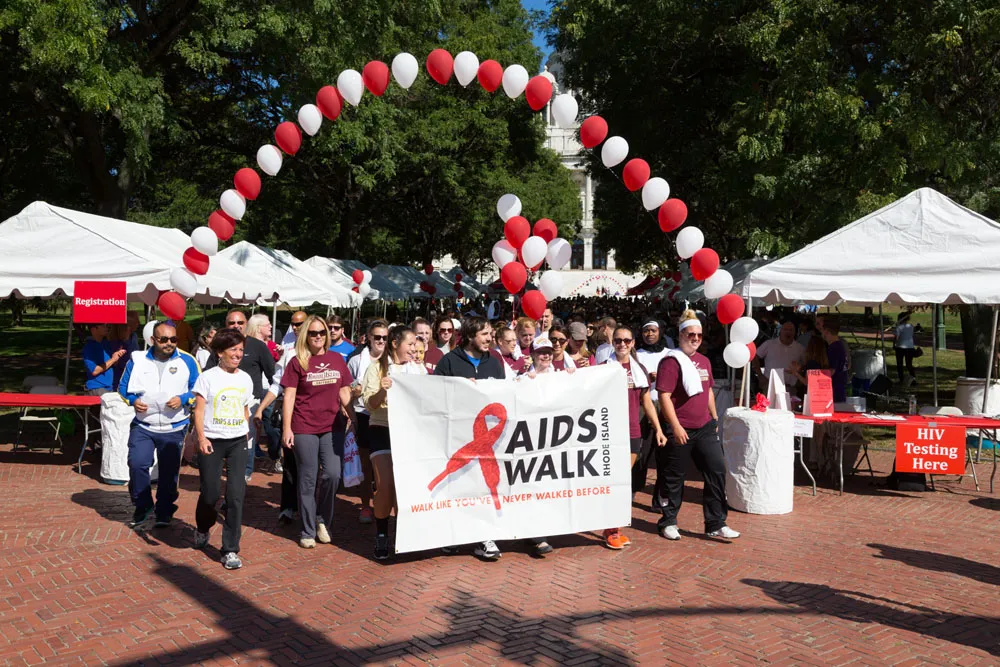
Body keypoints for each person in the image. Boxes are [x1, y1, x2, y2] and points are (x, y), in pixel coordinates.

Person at [655, 310, 739, 542]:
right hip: (680, 428)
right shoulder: (671, 362)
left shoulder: (704, 361)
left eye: (699, 335)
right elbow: (664, 396)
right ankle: (668, 521)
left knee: (716, 471)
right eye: (690, 334)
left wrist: (714, 418)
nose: (695, 339)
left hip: (704, 427)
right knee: (674, 477)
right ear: (681, 335)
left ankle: (716, 523)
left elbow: (708, 390)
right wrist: (675, 426)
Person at [434, 316, 507, 560]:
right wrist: (460, 388)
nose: (489, 338)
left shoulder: (494, 362)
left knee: (484, 484)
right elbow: (434, 395)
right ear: (468, 336)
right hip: (457, 436)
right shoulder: (449, 362)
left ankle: (484, 536)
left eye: (490, 333)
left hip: (487, 440)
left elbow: (505, 395)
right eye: (484, 334)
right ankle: (454, 534)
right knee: (458, 485)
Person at [281, 316, 354, 549]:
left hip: (332, 426)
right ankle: (307, 530)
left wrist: (353, 417)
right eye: (313, 333)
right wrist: (287, 428)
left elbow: (344, 391)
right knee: (308, 478)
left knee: (333, 474)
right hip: (304, 426)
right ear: (306, 336)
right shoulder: (297, 362)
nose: (318, 336)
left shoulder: (336, 359)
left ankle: (322, 519)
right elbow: (289, 396)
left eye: (322, 332)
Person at [118, 321, 200, 529]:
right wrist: (132, 400)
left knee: (168, 472)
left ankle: (164, 510)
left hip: (174, 426)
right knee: (137, 463)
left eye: (173, 339)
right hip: (144, 425)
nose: (169, 343)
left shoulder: (188, 361)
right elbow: (123, 388)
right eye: (164, 339)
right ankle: (142, 504)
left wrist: (183, 399)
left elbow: (198, 390)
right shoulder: (137, 360)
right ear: (153, 340)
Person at [192, 328, 255, 570]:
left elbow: (245, 408)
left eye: (241, 350)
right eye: (233, 350)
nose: (238, 354)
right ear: (220, 352)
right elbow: (199, 411)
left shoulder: (245, 378)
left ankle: (230, 549)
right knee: (210, 494)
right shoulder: (207, 377)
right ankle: (202, 527)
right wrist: (201, 437)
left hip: (238, 441)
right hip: (212, 440)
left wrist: (246, 433)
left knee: (236, 495)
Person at [361, 325, 426, 559]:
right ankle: (381, 534)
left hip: (409, 432)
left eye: (415, 344)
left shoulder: (418, 370)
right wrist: (383, 390)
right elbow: (369, 404)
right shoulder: (377, 367)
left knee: (406, 486)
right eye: (410, 344)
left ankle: (403, 533)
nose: (414, 348)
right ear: (396, 344)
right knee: (386, 483)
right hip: (382, 428)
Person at [602, 326, 666, 549]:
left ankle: (613, 528)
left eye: (626, 340)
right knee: (614, 482)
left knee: (622, 481)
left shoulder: (639, 369)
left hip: (632, 432)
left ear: (633, 343)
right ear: (613, 343)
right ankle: (611, 529)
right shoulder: (603, 368)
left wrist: (658, 428)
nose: (622, 344)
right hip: (608, 432)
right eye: (618, 340)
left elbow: (646, 402)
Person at [206, 309, 275, 483]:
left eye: (240, 322)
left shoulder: (258, 346)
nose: (236, 326)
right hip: (222, 401)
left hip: (250, 401)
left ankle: (244, 473)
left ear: (246, 324)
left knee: (246, 438)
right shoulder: (219, 346)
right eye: (231, 323)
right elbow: (208, 372)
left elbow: (272, 375)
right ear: (226, 324)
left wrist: (269, 402)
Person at [253, 311, 308, 519]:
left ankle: (310, 508)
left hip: (316, 417)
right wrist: (261, 408)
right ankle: (288, 507)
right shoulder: (289, 353)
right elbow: (277, 385)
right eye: (293, 324)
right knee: (290, 462)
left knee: (312, 466)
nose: (296, 328)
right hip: (292, 414)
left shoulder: (324, 353)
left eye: (300, 324)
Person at [347, 320, 389, 524]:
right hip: (363, 414)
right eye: (377, 337)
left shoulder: (393, 361)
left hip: (386, 417)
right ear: (369, 338)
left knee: (384, 467)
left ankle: (384, 503)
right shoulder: (356, 360)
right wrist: (354, 398)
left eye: (385, 337)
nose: (381, 341)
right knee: (366, 465)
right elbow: (346, 389)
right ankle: (366, 505)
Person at [634, 319, 672, 507]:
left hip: (665, 406)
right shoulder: (637, 354)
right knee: (642, 453)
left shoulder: (669, 354)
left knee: (664, 455)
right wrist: (647, 378)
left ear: (660, 332)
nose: (649, 334)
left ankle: (660, 498)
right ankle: (633, 490)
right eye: (646, 331)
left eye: (653, 330)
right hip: (644, 406)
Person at [753, 321, 806, 392]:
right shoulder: (769, 344)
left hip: (791, 387)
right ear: (780, 331)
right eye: (785, 329)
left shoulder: (800, 348)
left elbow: (805, 365)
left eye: (791, 330)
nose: (788, 332)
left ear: (794, 333)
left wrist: (800, 373)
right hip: (770, 386)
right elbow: (754, 356)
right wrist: (760, 375)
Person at [82, 323, 126, 396]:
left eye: (107, 325)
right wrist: (113, 359)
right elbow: (94, 371)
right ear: (93, 329)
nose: (107, 327)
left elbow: (111, 363)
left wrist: (117, 356)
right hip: (97, 388)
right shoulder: (89, 347)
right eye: (103, 325)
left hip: (109, 387)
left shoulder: (106, 344)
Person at [817, 313, 849, 402]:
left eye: (822, 330)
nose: (821, 333)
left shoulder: (834, 348)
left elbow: (831, 371)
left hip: (834, 392)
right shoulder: (839, 345)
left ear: (826, 331)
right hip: (839, 390)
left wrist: (814, 376)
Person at [890, 312, 916, 385]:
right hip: (910, 347)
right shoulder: (911, 326)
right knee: (909, 364)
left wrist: (894, 345)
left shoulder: (899, 327)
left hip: (900, 347)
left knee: (900, 364)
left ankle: (901, 379)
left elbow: (896, 337)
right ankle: (913, 378)